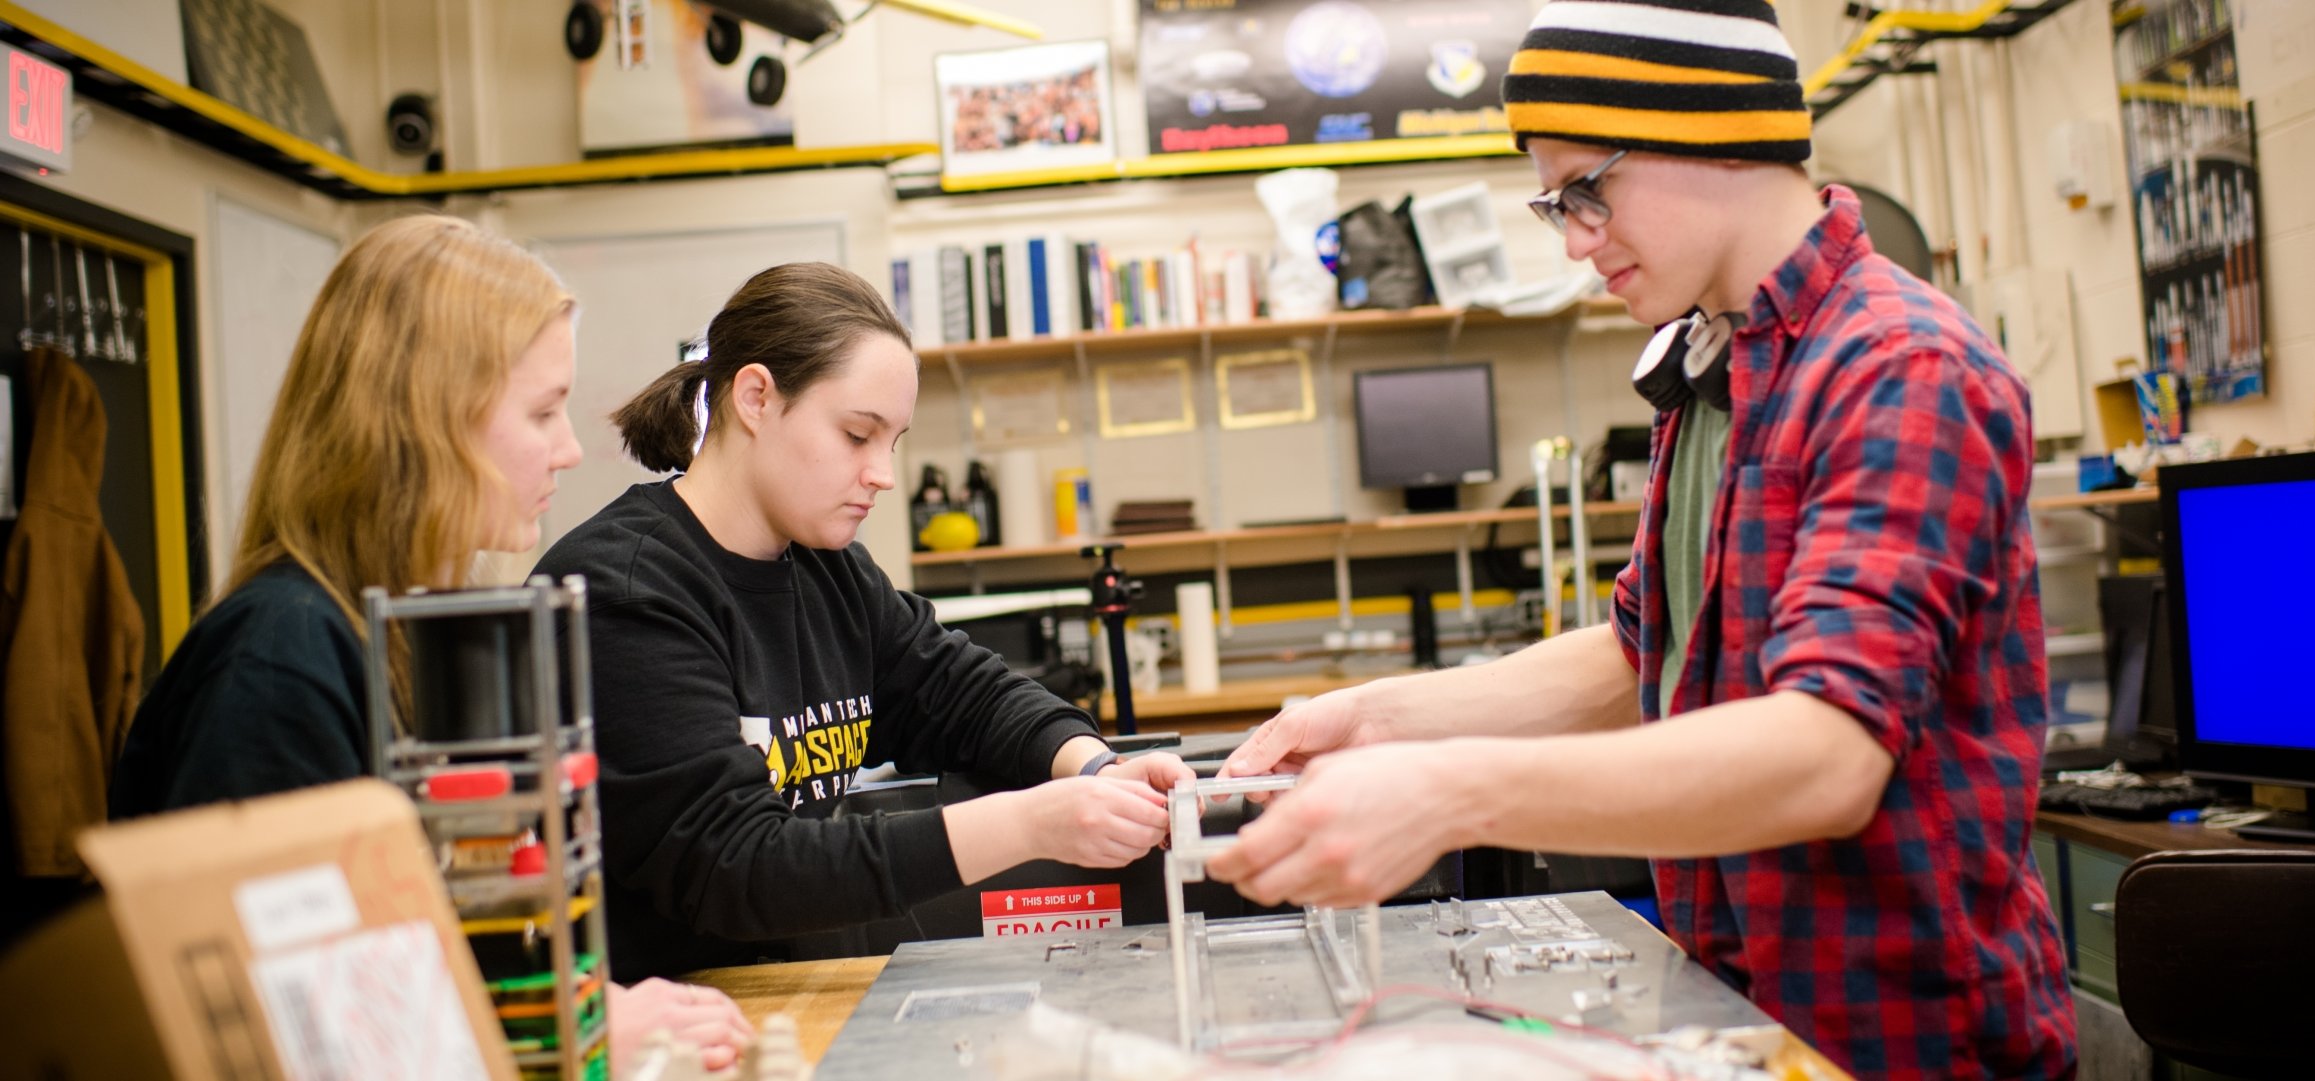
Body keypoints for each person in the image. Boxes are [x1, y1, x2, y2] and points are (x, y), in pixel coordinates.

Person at [1206, 3, 2075, 1077]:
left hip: (1904, 1041)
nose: (1574, 240)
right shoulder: (1714, 371)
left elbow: (1828, 756)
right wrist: (1370, 719)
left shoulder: (1900, 368)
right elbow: (1640, 649)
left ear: (1706, 127)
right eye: (1553, 204)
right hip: (1748, 1019)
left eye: (1588, 189)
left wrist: (1449, 791)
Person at [107, 215, 754, 1070]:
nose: (568, 450)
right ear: (425, 422)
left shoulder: (416, 639)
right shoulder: (278, 665)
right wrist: (562, 1038)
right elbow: (290, 1031)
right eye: (543, 411)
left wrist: (570, 1005)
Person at [534, 261, 1191, 982]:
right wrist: (1035, 823)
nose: (881, 472)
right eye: (857, 434)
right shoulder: (625, 590)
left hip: (785, 992)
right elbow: (737, 865)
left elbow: (961, 693)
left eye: (893, 442)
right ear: (755, 397)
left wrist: (1096, 769)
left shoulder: (828, 568)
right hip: (666, 1023)